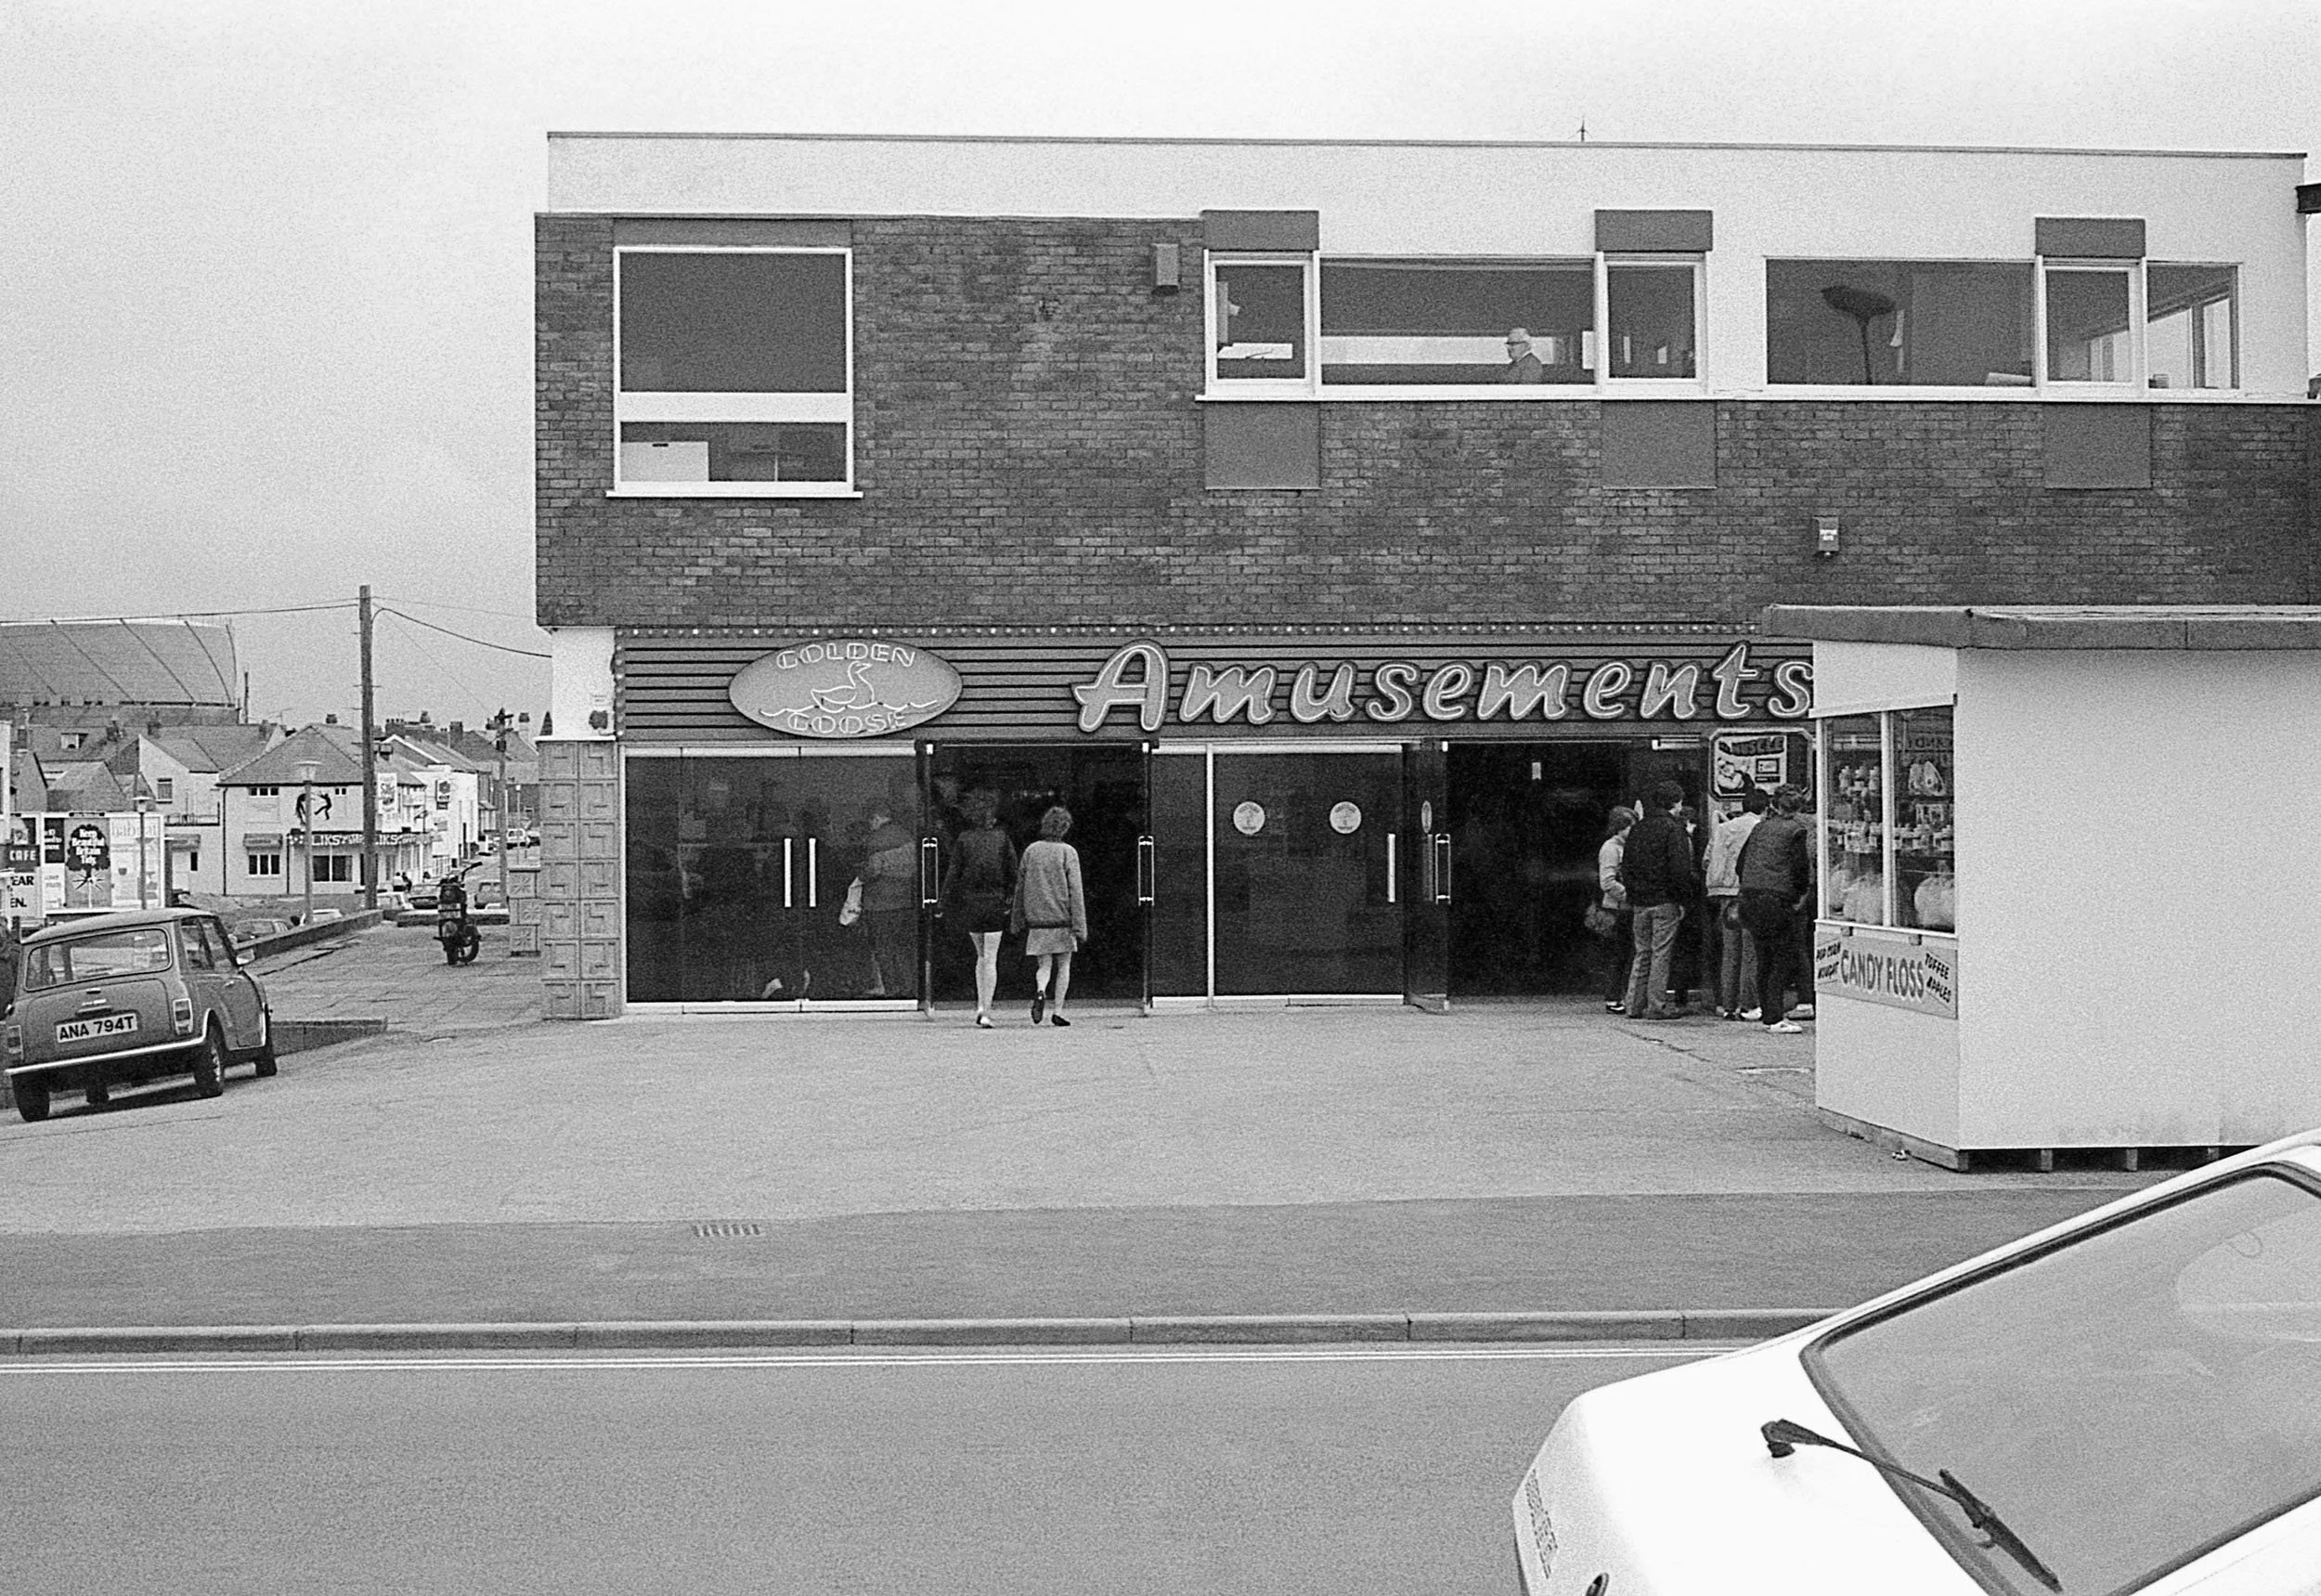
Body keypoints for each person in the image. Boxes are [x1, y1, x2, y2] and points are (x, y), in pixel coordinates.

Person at [1736, 785, 1815, 1033]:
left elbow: (1740, 864)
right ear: (1799, 808)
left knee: (1764, 959)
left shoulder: (1759, 828)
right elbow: (1800, 868)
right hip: (1776, 899)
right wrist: (1799, 894)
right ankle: (1774, 1017)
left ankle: (1767, 1013)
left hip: (1750, 897)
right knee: (1782, 958)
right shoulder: (1796, 831)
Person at [1621, 780, 1698, 1020]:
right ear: (1675, 802)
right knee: (1660, 953)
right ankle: (1657, 1005)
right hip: (1665, 899)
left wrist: (1633, 892)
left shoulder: (1638, 828)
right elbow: (1679, 869)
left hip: (1639, 900)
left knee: (1641, 952)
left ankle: (1633, 1004)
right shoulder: (1673, 829)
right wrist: (1683, 899)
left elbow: (1627, 865)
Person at [942, 789, 1017, 1028]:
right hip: (995, 902)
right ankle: (987, 1009)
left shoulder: (964, 839)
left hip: (971, 903)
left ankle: (980, 1005)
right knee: (991, 958)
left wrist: (943, 901)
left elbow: (954, 873)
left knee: (980, 956)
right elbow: (1013, 873)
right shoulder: (1002, 838)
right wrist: (1009, 900)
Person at [1012, 805, 1087, 1028]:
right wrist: (1080, 926)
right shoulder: (1068, 853)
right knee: (1064, 966)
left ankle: (1041, 990)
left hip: (1038, 921)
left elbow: (1021, 886)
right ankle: (1058, 1011)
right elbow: (1076, 890)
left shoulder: (1031, 851)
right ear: (1065, 828)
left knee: (1043, 966)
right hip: (1062, 919)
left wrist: (1017, 918)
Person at [1703, 787, 1770, 1019]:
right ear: (1765, 807)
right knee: (1750, 951)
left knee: (1730, 952)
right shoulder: (1759, 828)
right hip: (1748, 893)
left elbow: (1707, 859)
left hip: (1723, 895)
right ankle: (1749, 1004)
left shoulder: (1723, 828)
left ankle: (1728, 1004)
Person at [857, 798, 916, 999]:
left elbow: (871, 870)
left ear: (876, 818)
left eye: (870, 821)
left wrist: (860, 874)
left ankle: (890, 987)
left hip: (879, 902)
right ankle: (908, 985)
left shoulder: (875, 840)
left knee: (883, 947)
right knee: (901, 946)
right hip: (904, 900)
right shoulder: (906, 836)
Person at [1594, 807, 1636, 1013]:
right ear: (1620, 828)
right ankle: (1613, 997)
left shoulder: (1627, 846)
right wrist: (1631, 895)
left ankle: (1624, 995)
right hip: (1618, 908)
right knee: (1619, 954)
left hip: (1625, 907)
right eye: (1631, 827)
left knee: (1626, 953)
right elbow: (1607, 882)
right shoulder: (1611, 848)